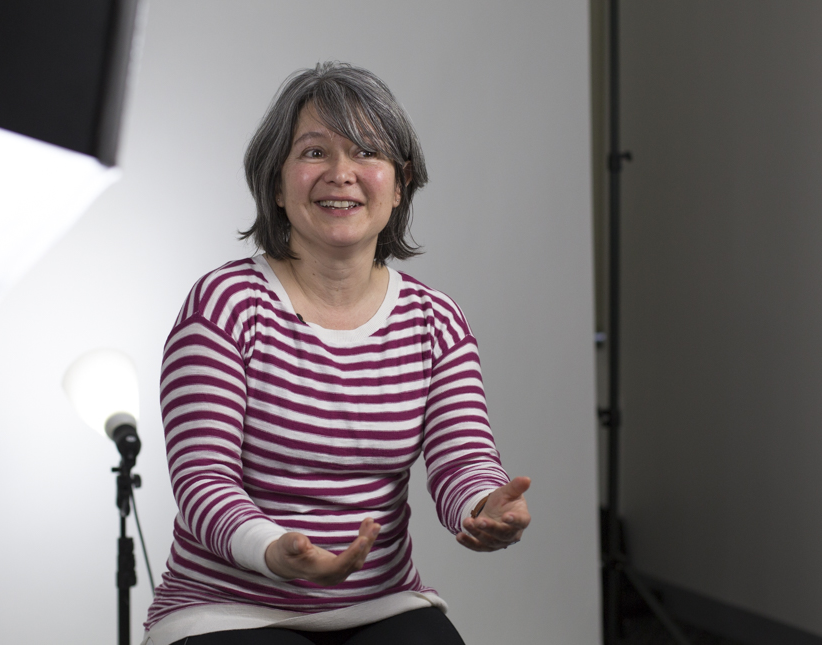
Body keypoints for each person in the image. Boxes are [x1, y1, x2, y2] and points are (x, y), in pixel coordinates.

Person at [142, 62, 531, 645]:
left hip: (380, 604)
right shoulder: (224, 305)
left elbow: (461, 460)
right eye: (315, 153)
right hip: (229, 608)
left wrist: (485, 504)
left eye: (366, 153)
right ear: (277, 183)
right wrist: (275, 550)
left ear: (400, 184)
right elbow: (203, 478)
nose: (342, 174)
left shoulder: (435, 321)